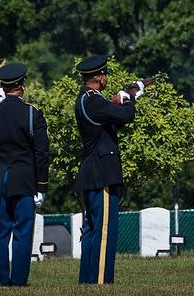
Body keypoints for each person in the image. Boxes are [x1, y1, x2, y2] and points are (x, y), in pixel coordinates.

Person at [0, 63, 49, 287]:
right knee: (22, 232)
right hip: (23, 181)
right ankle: (18, 281)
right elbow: (42, 154)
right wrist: (41, 186)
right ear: (22, 87)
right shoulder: (32, 114)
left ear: (3, 89)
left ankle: (1, 280)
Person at [74, 55, 143, 284]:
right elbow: (127, 115)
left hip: (91, 172)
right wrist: (129, 98)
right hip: (101, 172)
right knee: (104, 231)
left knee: (92, 231)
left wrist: (120, 99)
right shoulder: (94, 101)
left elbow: (112, 123)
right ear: (100, 77)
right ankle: (102, 280)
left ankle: (87, 280)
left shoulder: (87, 99)